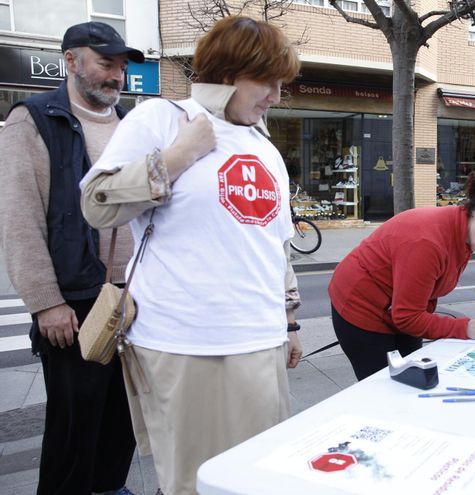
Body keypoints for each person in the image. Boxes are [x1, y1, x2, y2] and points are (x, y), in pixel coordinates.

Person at [79, 16, 302, 494]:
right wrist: (179, 156)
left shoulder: (265, 146)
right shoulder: (161, 118)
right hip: (186, 341)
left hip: (260, 341)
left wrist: (290, 321)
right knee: (194, 480)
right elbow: (97, 205)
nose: (276, 97)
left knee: (257, 477)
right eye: (266, 81)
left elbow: (274, 242)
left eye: (282, 84)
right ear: (226, 73)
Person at [0, 21, 142, 495]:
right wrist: (45, 302)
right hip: (74, 299)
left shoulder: (129, 123)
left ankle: (109, 488)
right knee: (74, 423)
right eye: (106, 64)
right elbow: (19, 218)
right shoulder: (36, 119)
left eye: (121, 67)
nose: (115, 76)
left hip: (133, 295)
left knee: (123, 416)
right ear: (71, 61)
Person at [329, 172, 475, 380]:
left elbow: (416, 305)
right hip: (360, 306)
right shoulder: (428, 242)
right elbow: (407, 317)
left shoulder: (465, 233)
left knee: (417, 378)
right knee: (386, 388)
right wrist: (465, 327)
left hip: (395, 308)